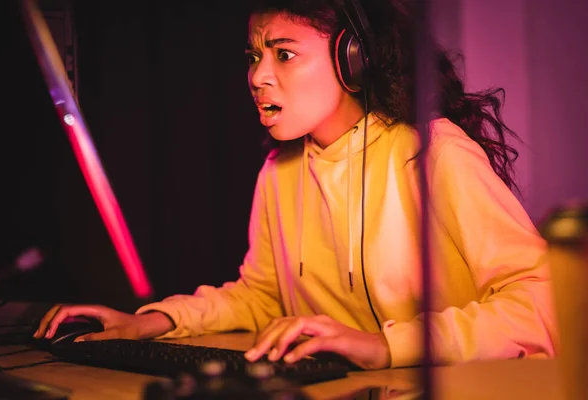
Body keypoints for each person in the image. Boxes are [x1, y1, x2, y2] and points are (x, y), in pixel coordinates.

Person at [34, 0, 556, 370]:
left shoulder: (434, 152)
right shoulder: (279, 173)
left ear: (353, 57)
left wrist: (383, 346)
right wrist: (151, 322)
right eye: (253, 56)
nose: (258, 77)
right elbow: (261, 298)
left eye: (283, 53)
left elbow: (539, 305)